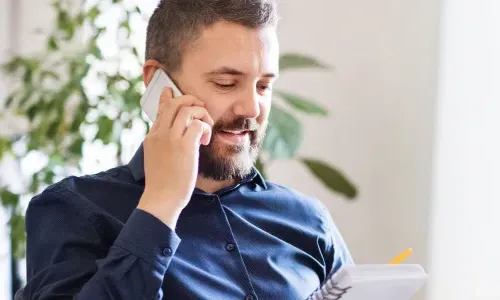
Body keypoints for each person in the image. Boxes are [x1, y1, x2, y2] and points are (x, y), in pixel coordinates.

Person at [20, 0, 353, 299]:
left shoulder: (309, 221)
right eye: (226, 82)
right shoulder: (72, 210)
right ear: (157, 83)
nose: (252, 108)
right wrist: (161, 204)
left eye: (264, 85)